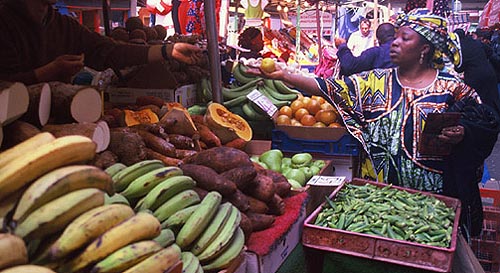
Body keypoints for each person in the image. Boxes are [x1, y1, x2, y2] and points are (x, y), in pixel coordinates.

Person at [248, 9, 500, 237]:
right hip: (375, 199)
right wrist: (286, 75)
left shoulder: (452, 89)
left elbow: (483, 123)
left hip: (430, 206)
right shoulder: (375, 82)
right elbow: (329, 87)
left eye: (405, 38)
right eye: (396, 37)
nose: (395, 43)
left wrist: (462, 132)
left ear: (425, 48)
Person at [0, 0, 204, 85]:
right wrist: (51, 70)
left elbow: (109, 51)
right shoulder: (5, 20)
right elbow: (6, 84)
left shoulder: (62, 24)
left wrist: (169, 51)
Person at [454, 29, 500, 115]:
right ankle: (496, 120)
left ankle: (487, 121)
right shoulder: (477, 42)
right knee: (493, 99)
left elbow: (459, 68)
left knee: (480, 102)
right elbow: (490, 52)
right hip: (489, 73)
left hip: (474, 78)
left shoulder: (459, 49)